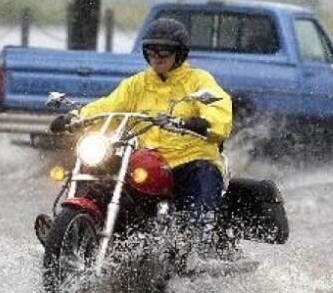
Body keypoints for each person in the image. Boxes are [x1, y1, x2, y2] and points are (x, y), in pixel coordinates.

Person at [50, 18, 232, 248]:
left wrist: (200, 124)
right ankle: (76, 226)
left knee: (202, 173)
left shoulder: (199, 81)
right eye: (151, 50)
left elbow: (219, 111)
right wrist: (77, 117)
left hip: (189, 158)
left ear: (180, 52)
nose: (157, 55)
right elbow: (109, 106)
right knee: (105, 168)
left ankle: (198, 242)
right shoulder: (138, 83)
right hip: (149, 159)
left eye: (164, 50)